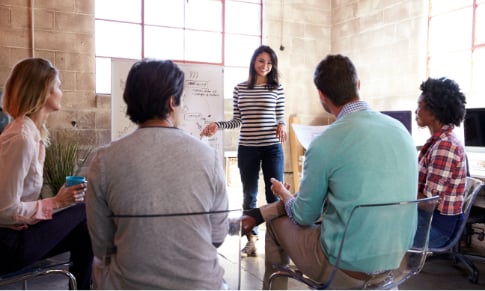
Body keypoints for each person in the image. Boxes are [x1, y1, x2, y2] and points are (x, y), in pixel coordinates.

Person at [241, 54, 419, 289]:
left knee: (277, 224)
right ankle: (261, 212)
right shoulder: (401, 131)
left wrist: (284, 194)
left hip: (344, 268)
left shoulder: (325, 142)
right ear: (358, 85)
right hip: (398, 263)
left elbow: (305, 217)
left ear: (322, 96)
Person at [86, 59, 230, 289]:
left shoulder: (104, 160)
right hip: (202, 286)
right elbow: (218, 235)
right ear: (172, 102)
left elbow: (102, 246)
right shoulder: (209, 157)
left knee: (97, 264)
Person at [0, 58, 93, 289]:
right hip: (7, 245)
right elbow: (4, 210)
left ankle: (83, 286)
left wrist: (59, 202)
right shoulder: (21, 138)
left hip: (18, 234)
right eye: (58, 86)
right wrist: (57, 202)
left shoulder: (32, 133)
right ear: (44, 90)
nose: (61, 92)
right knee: (84, 212)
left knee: (84, 228)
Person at [200, 45, 287, 257]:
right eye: (261, 61)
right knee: (249, 194)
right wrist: (217, 125)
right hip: (247, 148)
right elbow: (237, 120)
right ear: (253, 62)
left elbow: (280, 117)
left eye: (269, 62)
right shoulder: (240, 88)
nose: (265, 66)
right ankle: (252, 241)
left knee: (274, 193)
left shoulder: (277, 88)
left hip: (272, 148)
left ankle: (276, 240)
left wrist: (282, 125)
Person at [415, 77, 467, 248]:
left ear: (433, 112)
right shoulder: (439, 141)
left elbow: (429, 202)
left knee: (379, 232)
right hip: (429, 220)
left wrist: (398, 192)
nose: (416, 111)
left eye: (420, 106)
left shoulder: (445, 145)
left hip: (436, 227)